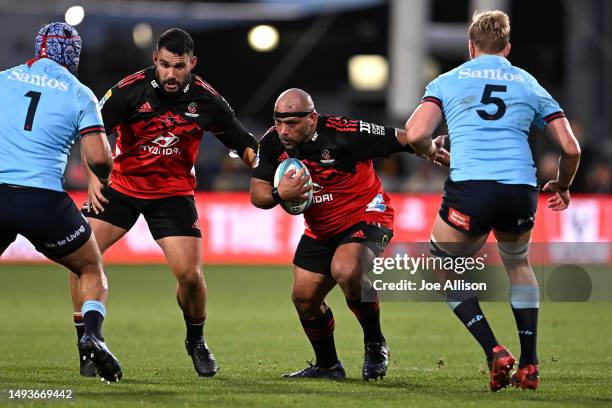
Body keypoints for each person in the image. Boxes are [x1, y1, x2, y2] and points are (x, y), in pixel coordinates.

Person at [405, 10, 581, 391]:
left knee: (441, 263)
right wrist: (563, 185)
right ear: (507, 48)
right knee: (518, 264)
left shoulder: (448, 81)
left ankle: (494, 350)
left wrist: (430, 151)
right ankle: (531, 363)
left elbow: (415, 132)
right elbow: (571, 148)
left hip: (472, 188)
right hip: (520, 189)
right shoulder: (527, 82)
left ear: (471, 48)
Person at [69, 28, 258, 377]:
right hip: (121, 187)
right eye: (166, 65)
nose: (171, 74)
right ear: (155, 59)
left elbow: (243, 143)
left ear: (192, 64)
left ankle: (196, 340)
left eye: (180, 66)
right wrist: (95, 177)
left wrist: (269, 171)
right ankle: (88, 343)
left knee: (190, 275)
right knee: (80, 258)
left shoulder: (207, 101)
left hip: (173, 194)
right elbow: (91, 131)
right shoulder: (128, 91)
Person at [250, 88, 449, 380]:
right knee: (304, 298)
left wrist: (431, 148)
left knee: (346, 270)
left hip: (368, 215)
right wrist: (281, 193)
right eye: (279, 121)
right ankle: (328, 366)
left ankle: (375, 343)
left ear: (312, 118)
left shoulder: (346, 133)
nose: (284, 130)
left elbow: (404, 138)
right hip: (320, 230)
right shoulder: (270, 142)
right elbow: (258, 195)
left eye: (292, 123)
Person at [0, 22, 121, 382]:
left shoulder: (4, 78)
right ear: (74, 57)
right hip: (44, 201)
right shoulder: (80, 93)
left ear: (38, 48)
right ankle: (92, 337)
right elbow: (98, 160)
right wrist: (106, 173)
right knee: (89, 269)